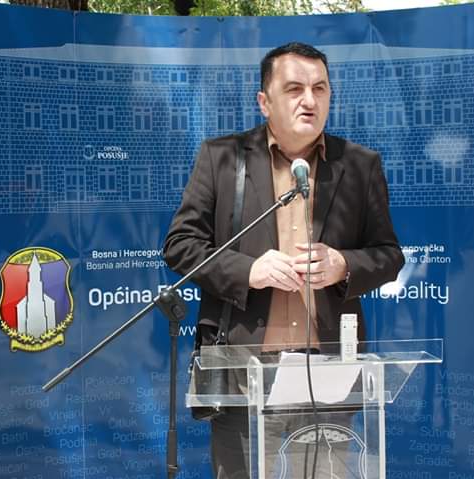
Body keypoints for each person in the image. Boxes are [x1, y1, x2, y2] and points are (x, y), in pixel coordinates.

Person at [162, 42, 404, 478]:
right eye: (294, 89)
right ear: (264, 101)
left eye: (320, 88)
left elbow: (389, 255)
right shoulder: (222, 158)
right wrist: (248, 271)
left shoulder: (359, 165)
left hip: (329, 375)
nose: (309, 100)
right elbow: (181, 245)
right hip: (244, 376)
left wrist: (343, 264)